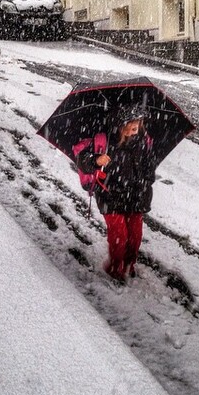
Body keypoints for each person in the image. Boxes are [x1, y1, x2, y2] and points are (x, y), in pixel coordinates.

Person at [76, 105, 157, 281]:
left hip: (136, 196)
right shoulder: (104, 142)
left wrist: (144, 182)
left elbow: (150, 168)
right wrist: (96, 160)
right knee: (119, 235)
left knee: (135, 236)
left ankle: (129, 264)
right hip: (110, 196)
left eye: (138, 122)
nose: (135, 127)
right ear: (119, 124)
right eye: (131, 123)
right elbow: (82, 160)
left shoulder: (144, 141)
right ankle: (115, 267)